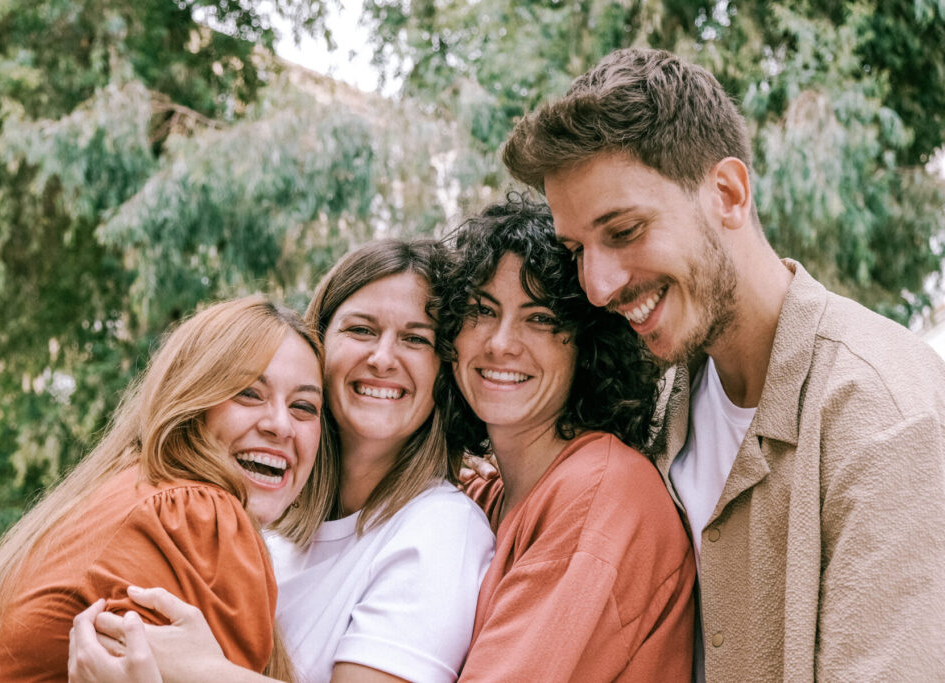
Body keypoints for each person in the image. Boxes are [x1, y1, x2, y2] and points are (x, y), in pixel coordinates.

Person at [502, 47, 945, 680]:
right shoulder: (663, 399)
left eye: (624, 232)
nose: (597, 287)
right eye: (577, 249)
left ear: (728, 194)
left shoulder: (883, 415)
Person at [72, 240, 495, 683]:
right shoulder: (264, 523)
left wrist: (202, 671)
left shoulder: (442, 527)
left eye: (416, 339)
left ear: (445, 369)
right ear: (318, 346)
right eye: (361, 330)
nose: (383, 358)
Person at [0, 295, 324, 683]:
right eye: (249, 394)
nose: (280, 425)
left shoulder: (125, 493)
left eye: (303, 407)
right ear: (191, 401)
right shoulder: (197, 515)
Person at [439, 195, 695, 681]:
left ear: (587, 344)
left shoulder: (600, 496)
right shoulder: (487, 494)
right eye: (482, 310)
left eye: (540, 318)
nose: (501, 343)